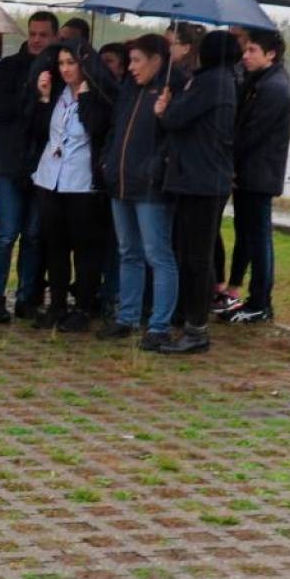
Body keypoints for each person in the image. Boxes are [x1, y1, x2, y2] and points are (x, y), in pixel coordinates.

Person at [153, 30, 239, 354]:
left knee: (195, 256)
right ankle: (189, 319)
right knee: (191, 253)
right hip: (201, 177)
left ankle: (196, 327)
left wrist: (164, 109)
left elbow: (177, 117)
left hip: (200, 179)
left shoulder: (211, 83)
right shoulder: (221, 81)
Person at [27, 40, 114, 332]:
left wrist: (87, 99)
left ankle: (83, 307)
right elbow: (40, 130)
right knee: (55, 245)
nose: (65, 69)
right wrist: (42, 98)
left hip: (82, 183)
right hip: (50, 178)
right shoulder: (59, 94)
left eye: (71, 63)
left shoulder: (97, 94)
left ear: (84, 64)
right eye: (61, 63)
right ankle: (57, 304)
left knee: (85, 248)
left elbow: (97, 128)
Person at [100, 34, 178, 348]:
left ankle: (159, 324)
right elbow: (116, 128)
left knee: (157, 254)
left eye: (137, 60)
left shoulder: (172, 87)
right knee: (128, 252)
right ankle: (127, 316)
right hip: (121, 180)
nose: (131, 67)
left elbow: (174, 134)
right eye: (129, 60)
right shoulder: (130, 90)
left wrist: (155, 166)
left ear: (156, 59)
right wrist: (106, 161)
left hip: (150, 186)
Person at [0, 11, 60, 322]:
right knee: (7, 232)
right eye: (33, 33)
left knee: (33, 234)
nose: (38, 39)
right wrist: (34, 90)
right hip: (10, 159)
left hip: (42, 163)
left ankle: (27, 297)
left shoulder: (60, 70)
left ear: (54, 36)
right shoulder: (9, 67)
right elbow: (1, 108)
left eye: (44, 34)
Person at [225, 28, 290, 324]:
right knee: (249, 234)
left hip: (258, 174)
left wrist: (231, 161)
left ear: (270, 54)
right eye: (246, 49)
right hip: (249, 172)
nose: (246, 55)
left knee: (259, 236)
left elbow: (252, 133)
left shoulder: (273, 88)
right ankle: (255, 298)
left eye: (252, 50)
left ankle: (261, 300)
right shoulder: (256, 82)